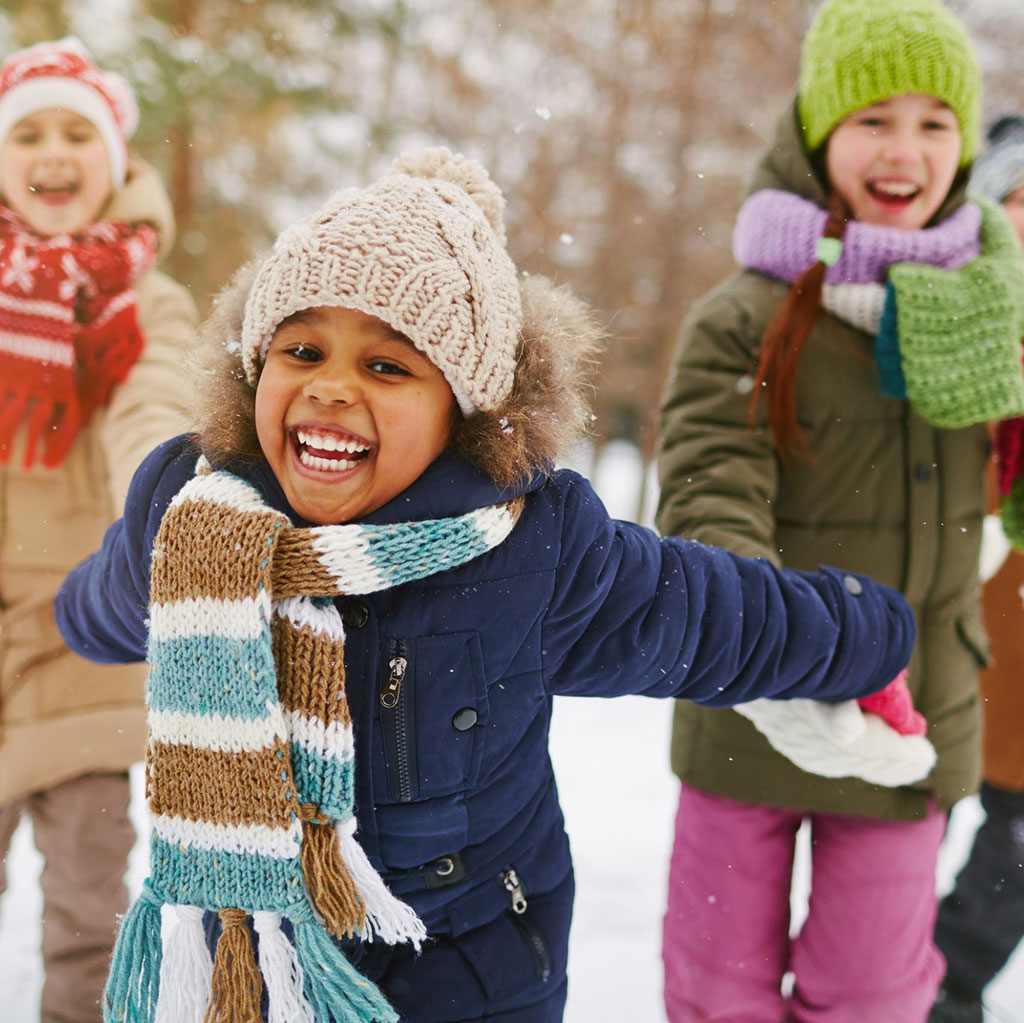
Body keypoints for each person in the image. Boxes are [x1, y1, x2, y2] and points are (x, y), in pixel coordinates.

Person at [54, 146, 920, 1023]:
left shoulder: (532, 548)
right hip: (257, 961)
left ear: (462, 407)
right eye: (302, 350)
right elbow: (117, 598)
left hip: (469, 968)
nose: (331, 388)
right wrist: (68, 614)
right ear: (254, 371)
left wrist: (869, 633)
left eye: (388, 366)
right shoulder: (199, 522)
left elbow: (710, 616)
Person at [656, 0, 1024, 1020]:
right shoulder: (743, 316)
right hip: (753, 707)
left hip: (916, 723)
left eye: (933, 123)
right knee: (717, 988)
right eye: (871, 119)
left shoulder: (994, 312)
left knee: (871, 993)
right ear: (819, 131)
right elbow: (706, 488)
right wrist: (777, 650)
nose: (903, 150)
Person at [0, 37, 198, 1023]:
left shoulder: (143, 303)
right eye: (27, 131)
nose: (51, 151)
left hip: (87, 644)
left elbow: (154, 403)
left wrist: (159, 494)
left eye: (76, 131)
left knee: (87, 918)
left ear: (113, 161)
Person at [929, 115, 1024, 1023]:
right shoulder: (945, 318)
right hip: (951, 605)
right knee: (918, 804)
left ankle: (951, 984)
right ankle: (893, 970)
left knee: (1019, 831)